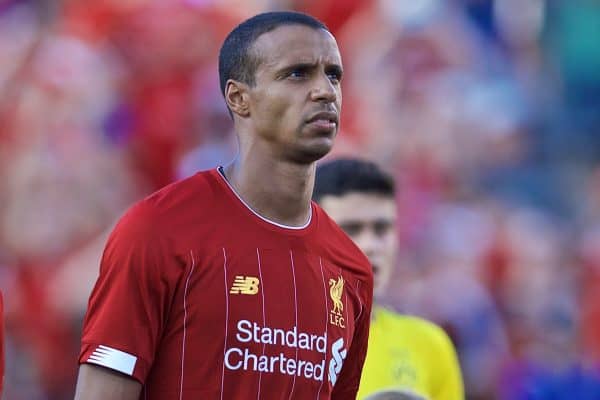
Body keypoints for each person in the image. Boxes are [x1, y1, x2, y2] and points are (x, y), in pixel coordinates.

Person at [74, 11, 373, 400]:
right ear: (238, 98)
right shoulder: (159, 230)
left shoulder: (351, 269)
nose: (324, 91)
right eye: (298, 74)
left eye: (333, 75)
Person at [314, 158, 464, 400]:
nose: (370, 245)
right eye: (351, 229)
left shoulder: (429, 345)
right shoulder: (277, 340)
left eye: (382, 229)